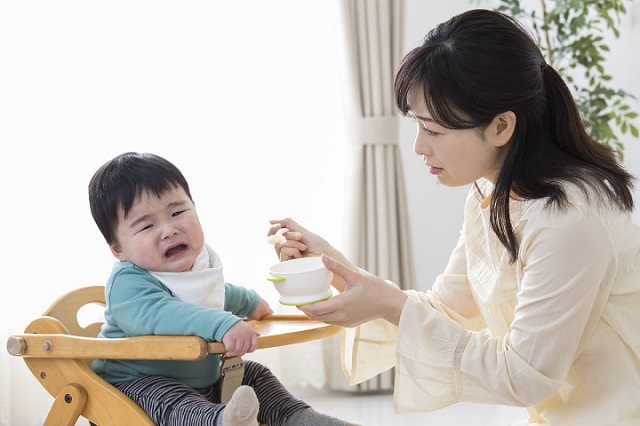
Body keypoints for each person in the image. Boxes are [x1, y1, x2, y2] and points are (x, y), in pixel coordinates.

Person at [267, 9, 640, 426]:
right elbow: (449, 308)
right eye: (417, 125)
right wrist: (336, 267)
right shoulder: (492, 189)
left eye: (434, 130)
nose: (419, 148)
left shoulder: (570, 218)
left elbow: (524, 376)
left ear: (501, 126)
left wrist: (388, 305)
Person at [88, 152, 356, 426]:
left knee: (253, 375)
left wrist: (250, 303)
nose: (168, 230)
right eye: (146, 225)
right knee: (171, 400)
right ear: (118, 249)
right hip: (131, 387)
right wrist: (223, 324)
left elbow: (215, 295)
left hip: (204, 382)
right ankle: (222, 421)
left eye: (177, 212)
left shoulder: (197, 266)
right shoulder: (128, 282)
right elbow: (161, 313)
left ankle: (302, 418)